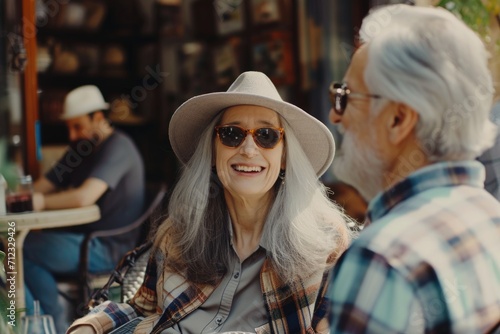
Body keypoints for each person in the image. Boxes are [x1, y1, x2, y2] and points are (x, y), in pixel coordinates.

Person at [66, 71, 353, 334]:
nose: (249, 149)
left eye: (266, 136)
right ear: (213, 152)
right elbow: (141, 306)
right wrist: (90, 327)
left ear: (285, 157)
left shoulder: (324, 244)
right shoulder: (179, 234)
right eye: (232, 134)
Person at [326, 4, 500, 333]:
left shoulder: (382, 259)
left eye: (346, 95)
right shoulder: (489, 213)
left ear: (398, 119)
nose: (336, 115)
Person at [24, 85, 145, 333]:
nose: (71, 135)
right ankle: (48, 323)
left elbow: (84, 198)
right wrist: (21, 196)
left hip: (108, 248)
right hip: (83, 240)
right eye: (69, 127)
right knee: (21, 248)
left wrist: (40, 202)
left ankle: (49, 326)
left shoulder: (118, 146)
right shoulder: (81, 148)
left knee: (22, 251)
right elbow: (45, 185)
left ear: (98, 118)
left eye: (77, 126)